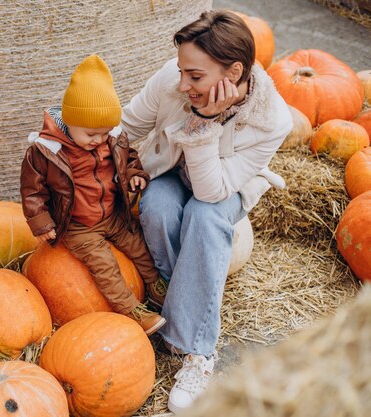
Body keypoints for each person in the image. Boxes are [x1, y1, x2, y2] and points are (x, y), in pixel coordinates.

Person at [120, 10, 293, 413]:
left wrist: (203, 124)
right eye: (182, 71)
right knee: (158, 206)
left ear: (234, 72)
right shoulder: (172, 79)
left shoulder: (272, 120)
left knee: (204, 217)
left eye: (195, 77)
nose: (183, 83)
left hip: (221, 188)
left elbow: (211, 191)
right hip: (167, 170)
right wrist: (77, 141)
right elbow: (126, 126)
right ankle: (176, 299)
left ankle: (198, 351)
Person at [20, 54, 168, 335]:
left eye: (104, 133)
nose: (98, 140)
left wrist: (135, 176)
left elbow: (130, 159)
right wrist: (40, 222)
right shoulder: (46, 152)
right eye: (90, 134)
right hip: (78, 226)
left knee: (140, 249)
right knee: (105, 266)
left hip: (113, 216)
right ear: (70, 122)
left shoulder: (112, 138)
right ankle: (133, 311)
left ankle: (160, 290)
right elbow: (32, 189)